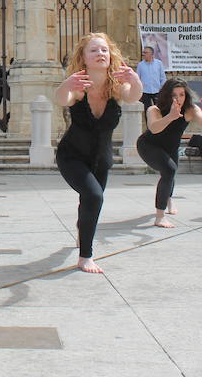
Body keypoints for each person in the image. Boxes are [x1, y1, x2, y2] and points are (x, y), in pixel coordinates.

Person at [54, 33, 142, 273]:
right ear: (83, 57)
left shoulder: (117, 87)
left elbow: (134, 96)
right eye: (93, 50)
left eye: (104, 50)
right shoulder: (79, 86)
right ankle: (86, 257)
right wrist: (66, 84)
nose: (100, 54)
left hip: (101, 159)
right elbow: (63, 98)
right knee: (94, 197)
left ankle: (82, 231)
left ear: (110, 54)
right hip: (71, 156)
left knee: (90, 202)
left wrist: (135, 81)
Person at [136, 78, 202, 228]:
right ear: (166, 95)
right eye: (174, 95)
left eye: (181, 95)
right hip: (148, 145)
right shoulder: (154, 109)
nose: (178, 99)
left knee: (171, 173)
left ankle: (169, 199)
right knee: (169, 169)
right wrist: (170, 117)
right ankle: (160, 216)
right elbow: (154, 128)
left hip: (170, 148)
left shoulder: (190, 109)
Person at [136, 45, 166, 111]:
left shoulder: (159, 63)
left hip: (157, 91)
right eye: (143, 53)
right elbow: (137, 79)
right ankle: (149, 122)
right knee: (147, 110)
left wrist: (161, 89)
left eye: (146, 52)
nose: (144, 54)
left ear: (151, 54)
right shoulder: (140, 65)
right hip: (145, 92)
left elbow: (163, 78)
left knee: (159, 109)